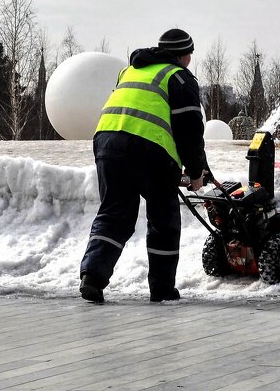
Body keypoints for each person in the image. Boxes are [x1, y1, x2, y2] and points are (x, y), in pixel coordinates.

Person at [79, 28, 208, 304]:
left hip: (106, 143)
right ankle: (162, 289)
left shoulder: (131, 71)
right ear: (185, 55)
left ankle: (92, 277)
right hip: (149, 149)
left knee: (114, 214)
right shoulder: (179, 78)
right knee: (163, 219)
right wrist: (196, 173)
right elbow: (189, 132)